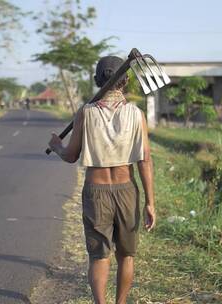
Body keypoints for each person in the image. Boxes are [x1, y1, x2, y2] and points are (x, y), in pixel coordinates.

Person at [48, 56, 156, 304]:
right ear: (126, 80)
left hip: (96, 192)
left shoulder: (85, 113)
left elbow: (70, 155)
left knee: (99, 257)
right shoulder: (136, 114)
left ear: (98, 80)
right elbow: (145, 161)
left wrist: (56, 146)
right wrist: (150, 202)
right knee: (126, 256)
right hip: (127, 191)